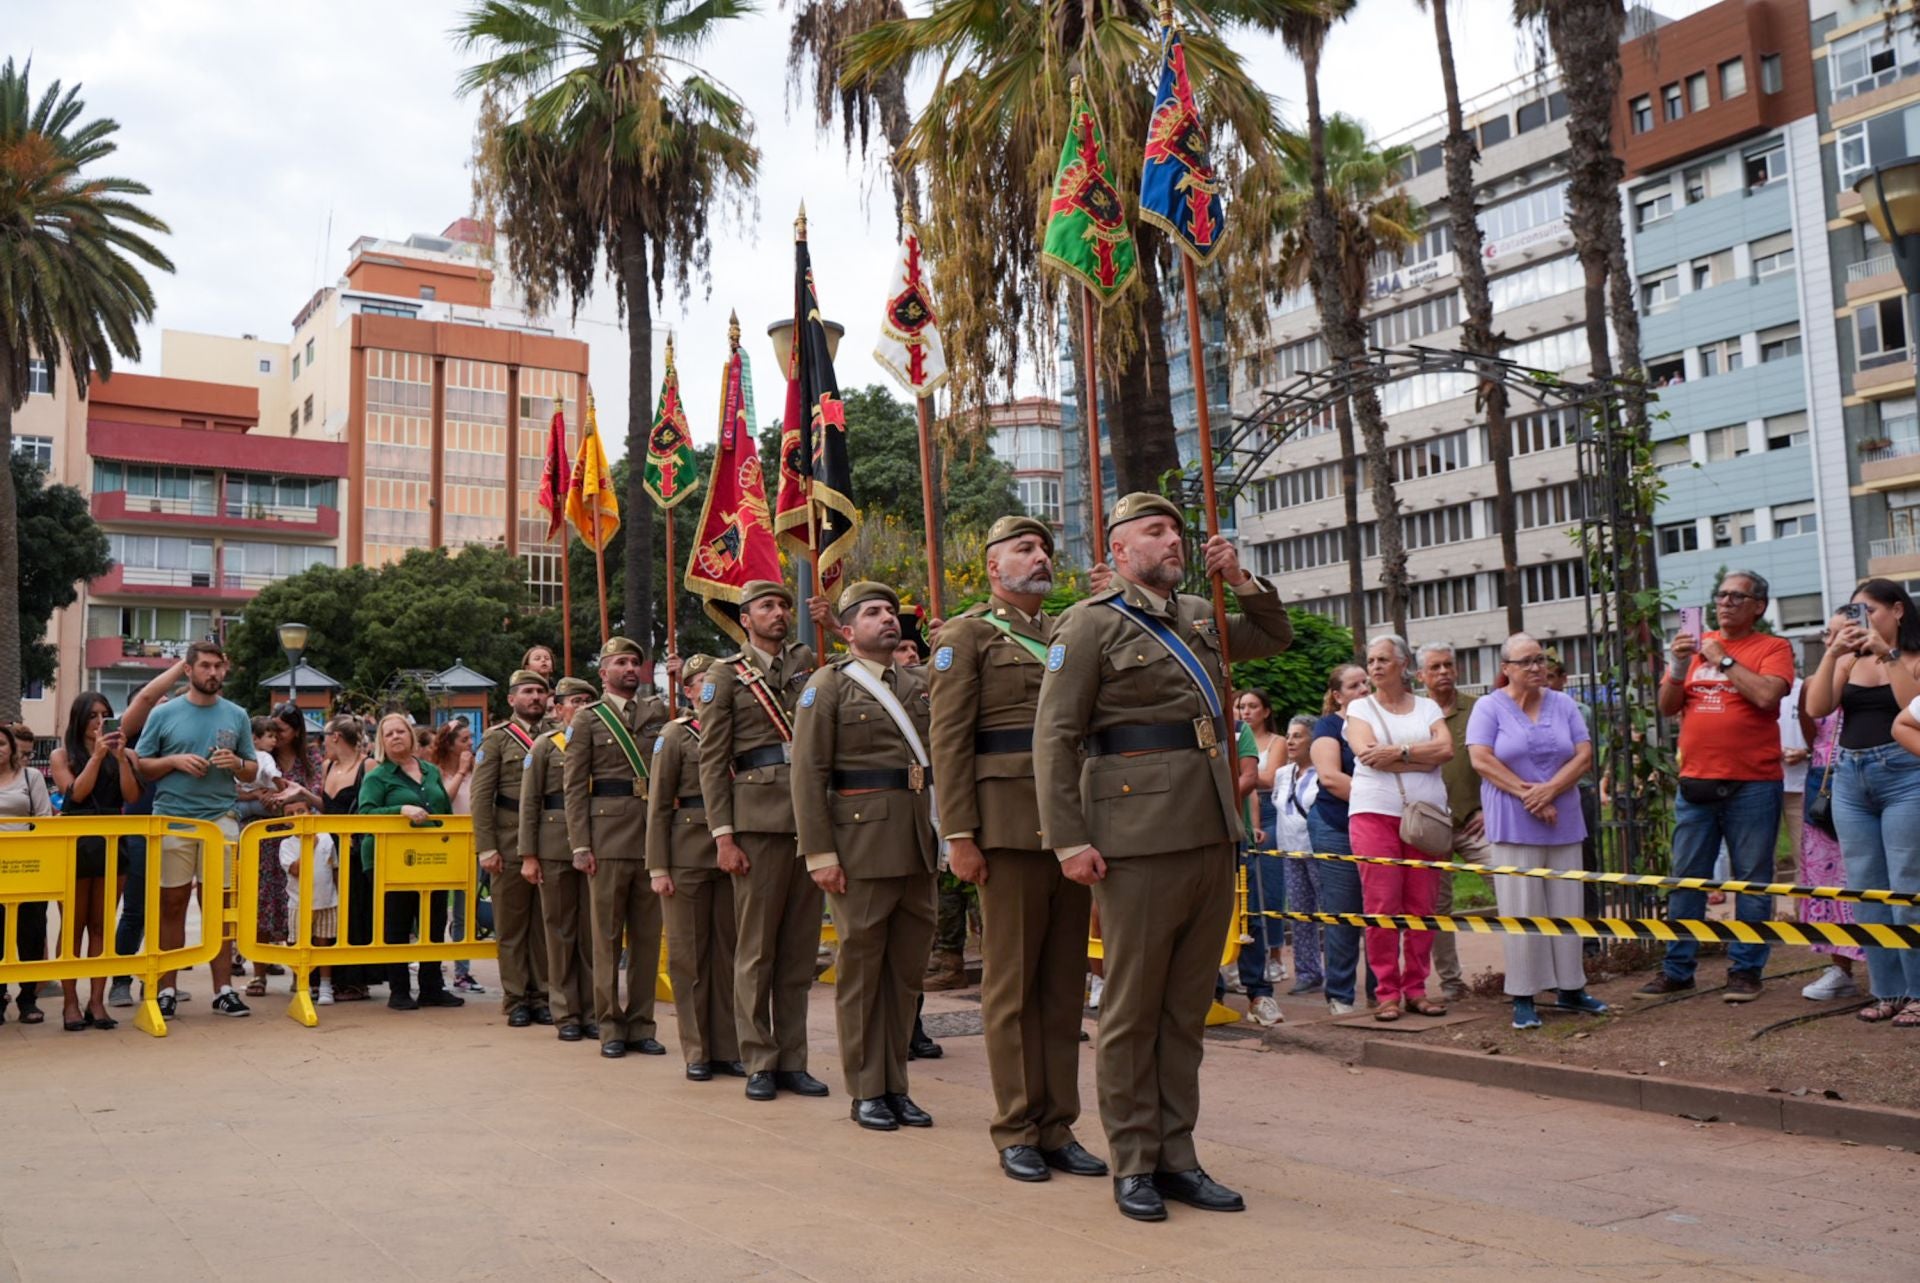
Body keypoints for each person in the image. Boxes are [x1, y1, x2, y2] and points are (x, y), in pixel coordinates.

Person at [1034, 492, 1293, 1223]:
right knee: (1132, 1007)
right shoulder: (1088, 625)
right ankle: (1134, 1159)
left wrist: (1239, 577)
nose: (1172, 540)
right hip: (1136, 833)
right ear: (1119, 550)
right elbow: (1054, 736)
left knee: (1184, 1009)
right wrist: (1070, 837)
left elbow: (1273, 635)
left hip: (1211, 830)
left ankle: (1178, 1154)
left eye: (1177, 530)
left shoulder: (1202, 616)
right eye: (1155, 531)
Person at [929, 515, 1105, 1180]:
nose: (1039, 557)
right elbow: (949, 742)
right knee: (1010, 988)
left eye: (1043, 548)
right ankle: (1015, 1128)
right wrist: (959, 835)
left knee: (1061, 986)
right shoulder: (967, 635)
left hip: (1069, 828)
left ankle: (1058, 1124)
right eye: (1024, 548)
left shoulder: (1066, 631)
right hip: (1005, 830)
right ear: (993, 566)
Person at [793, 581, 939, 1132]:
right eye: (873, 613)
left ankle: (896, 1084)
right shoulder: (827, 687)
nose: (887, 619)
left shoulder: (919, 683)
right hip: (859, 846)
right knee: (861, 972)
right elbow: (807, 775)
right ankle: (865, 1088)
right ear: (848, 631)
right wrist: (820, 853)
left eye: (891, 612)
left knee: (905, 975)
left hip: (916, 842)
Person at [698, 580, 829, 1102]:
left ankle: (793, 1058)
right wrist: (723, 835)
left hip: (809, 820)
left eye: (783, 605)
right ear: (745, 618)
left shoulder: (809, 664)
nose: (778, 613)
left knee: (799, 951)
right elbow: (712, 761)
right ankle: (758, 1058)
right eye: (767, 607)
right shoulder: (724, 676)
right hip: (756, 821)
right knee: (755, 950)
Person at [1646, 571, 1796, 1002]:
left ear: (1759, 607)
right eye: (1721, 595)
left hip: (1753, 782)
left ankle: (1746, 971)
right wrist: (1677, 665)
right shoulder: (1696, 645)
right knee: (1687, 880)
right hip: (1697, 782)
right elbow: (1668, 706)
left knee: (1752, 880)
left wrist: (1724, 660)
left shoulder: (1774, 648)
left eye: (1737, 596)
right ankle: (1677, 970)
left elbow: (1768, 697)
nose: (1726, 602)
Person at [1467, 634, 1606, 1029]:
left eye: (1540, 659)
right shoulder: (1488, 706)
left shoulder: (1563, 704)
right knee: (1521, 908)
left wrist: (1550, 791)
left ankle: (1571, 987)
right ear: (1506, 668)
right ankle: (1524, 995)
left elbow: (1583, 755)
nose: (1536, 667)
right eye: (1526, 661)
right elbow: (1481, 758)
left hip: (1563, 817)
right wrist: (1531, 796)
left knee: (1567, 907)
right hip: (1513, 819)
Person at [1812, 579, 1920, 1023]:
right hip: (1851, 778)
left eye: (1869, 610)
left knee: (1907, 886)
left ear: (1897, 610)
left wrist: (1888, 654)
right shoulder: (1850, 659)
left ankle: (1918, 993)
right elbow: (1818, 707)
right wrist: (1833, 654)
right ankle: (1888, 991)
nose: (1862, 619)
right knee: (1866, 889)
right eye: (1854, 611)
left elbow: (1913, 707)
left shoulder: (1911, 657)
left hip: (1905, 775)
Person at [132, 640, 255, 1020]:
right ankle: (167, 988)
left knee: (219, 907)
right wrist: (173, 760)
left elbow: (251, 770)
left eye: (218, 666)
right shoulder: (164, 714)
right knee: (172, 904)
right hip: (173, 817)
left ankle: (223, 990)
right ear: (188, 670)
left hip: (221, 819)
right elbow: (142, 766)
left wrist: (235, 762)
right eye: (205, 666)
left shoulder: (237, 715)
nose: (213, 673)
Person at [566, 636, 671, 1058]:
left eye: (635, 663)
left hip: (651, 839)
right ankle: (609, 1025)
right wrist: (579, 845)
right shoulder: (588, 720)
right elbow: (574, 788)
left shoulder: (660, 711)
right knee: (606, 938)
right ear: (603, 671)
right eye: (621, 662)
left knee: (647, 938)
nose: (630, 669)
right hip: (606, 839)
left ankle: (642, 1023)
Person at [1344, 635, 1454, 1023]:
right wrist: (1421, 759)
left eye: (1383, 660)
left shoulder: (1426, 707)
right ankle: (1386, 992)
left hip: (1424, 816)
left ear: (1403, 664)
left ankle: (1417, 989)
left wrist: (1400, 753)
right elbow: (1366, 754)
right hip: (1374, 813)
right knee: (1382, 905)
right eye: (1371, 660)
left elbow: (1447, 750)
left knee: (1422, 906)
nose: (1374, 667)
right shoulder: (1360, 707)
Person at [647, 654, 744, 1080]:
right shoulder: (676, 735)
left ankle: (727, 1047)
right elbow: (657, 807)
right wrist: (658, 867)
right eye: (700, 683)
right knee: (689, 959)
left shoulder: (739, 731)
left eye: (715, 682)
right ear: (687, 691)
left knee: (727, 956)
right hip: (686, 855)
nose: (709, 689)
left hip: (733, 853)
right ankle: (698, 1051)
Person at [359, 712, 463, 1011]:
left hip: (432, 858)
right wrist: (399, 809)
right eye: (388, 733)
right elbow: (364, 816)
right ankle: (399, 990)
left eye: (400, 731)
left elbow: (443, 810)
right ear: (381, 742)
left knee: (434, 922)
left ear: (411, 735)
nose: (395, 737)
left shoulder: (430, 771)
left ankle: (432, 987)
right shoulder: (377, 776)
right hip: (390, 860)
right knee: (397, 924)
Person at [50, 691, 139, 1030]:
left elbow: (131, 796)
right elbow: (75, 795)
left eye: (105, 714)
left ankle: (97, 1002)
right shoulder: (62, 755)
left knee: (102, 925)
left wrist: (119, 759)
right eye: (92, 715)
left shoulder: (124, 754)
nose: (100, 722)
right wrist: (98, 756)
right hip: (75, 842)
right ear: (79, 720)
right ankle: (70, 1003)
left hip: (112, 843)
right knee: (72, 925)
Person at [520, 676, 600, 1041]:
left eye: (588, 701)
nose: (581, 707)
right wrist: (529, 855)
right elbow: (529, 804)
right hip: (554, 847)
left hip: (597, 846)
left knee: (592, 933)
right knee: (559, 931)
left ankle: (593, 1010)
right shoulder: (545, 746)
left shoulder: (603, 743)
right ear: (558, 708)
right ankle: (566, 1012)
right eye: (575, 701)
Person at [105, 658, 188, 1010]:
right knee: (136, 909)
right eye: (159, 704)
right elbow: (146, 699)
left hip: (177, 827)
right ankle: (121, 980)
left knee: (170, 909)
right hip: (141, 829)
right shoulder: (133, 736)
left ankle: (161, 980)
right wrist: (185, 664)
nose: (166, 709)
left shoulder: (178, 737)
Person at [473, 670, 553, 1027]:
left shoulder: (559, 737)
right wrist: (486, 847)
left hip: (549, 841)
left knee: (545, 925)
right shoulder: (496, 740)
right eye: (527, 691)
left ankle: (544, 994)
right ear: (512, 699)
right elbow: (480, 797)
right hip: (507, 842)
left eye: (540, 691)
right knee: (511, 925)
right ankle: (517, 998)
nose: (535, 697)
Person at [1417, 643, 1486, 1005]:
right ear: (1421, 676)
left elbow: (1496, 760)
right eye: (1435, 667)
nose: (1444, 672)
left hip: (1476, 820)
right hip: (1430, 825)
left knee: (1512, 884)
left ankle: (1525, 974)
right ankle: (1451, 982)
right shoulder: (1415, 714)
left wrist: (1489, 809)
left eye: (1448, 665)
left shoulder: (1479, 709)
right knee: (1437, 907)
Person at [1795, 659, 1862, 1002]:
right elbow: (1813, 732)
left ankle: (1899, 963)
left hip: (1874, 776)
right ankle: (1840, 967)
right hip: (1825, 783)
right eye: (1830, 634)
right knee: (1828, 877)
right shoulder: (1813, 683)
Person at [1310, 664, 1372, 1015]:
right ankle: (1340, 996)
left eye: (1366, 682)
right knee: (1344, 911)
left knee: (1382, 911)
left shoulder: (1380, 722)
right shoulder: (1330, 726)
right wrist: (1379, 800)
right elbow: (1331, 778)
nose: (1364, 688)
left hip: (1380, 826)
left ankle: (1382, 993)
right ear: (1337, 695)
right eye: (1354, 685)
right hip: (1337, 825)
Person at [1229, 689, 1287, 1026]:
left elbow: (1250, 778)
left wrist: (1206, 806)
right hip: (1191, 836)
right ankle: (1210, 995)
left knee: (1249, 916)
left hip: (1233, 836)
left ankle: (1259, 995)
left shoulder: (1238, 730)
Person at [0, 720, 56, 1025]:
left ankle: (28, 998)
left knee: (31, 932)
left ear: (11, 749)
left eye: (1, 744)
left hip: (28, 867)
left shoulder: (30, 776)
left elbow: (43, 819)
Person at [319, 717, 375, 1002]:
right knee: (328, 907)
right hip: (327, 847)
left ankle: (355, 979)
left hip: (353, 847)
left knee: (354, 907)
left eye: (325, 736)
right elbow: (326, 805)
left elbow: (369, 804)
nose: (322, 742)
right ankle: (328, 976)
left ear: (337, 736)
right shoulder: (327, 766)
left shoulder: (368, 765)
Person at [426, 719, 483, 995]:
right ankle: (432, 968)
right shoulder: (434, 771)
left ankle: (462, 971)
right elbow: (440, 801)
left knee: (465, 909)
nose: (470, 744)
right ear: (448, 745)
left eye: (471, 738)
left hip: (474, 845)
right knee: (436, 908)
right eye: (464, 740)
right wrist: (460, 772)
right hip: (444, 845)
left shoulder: (478, 769)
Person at [1272, 715, 1322, 996]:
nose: (1290, 741)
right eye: (1289, 735)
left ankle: (1341, 974)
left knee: (1330, 913)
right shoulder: (1282, 773)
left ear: (1312, 741)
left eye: (1298, 736)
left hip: (1317, 851)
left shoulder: (1322, 772)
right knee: (1301, 914)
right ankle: (1308, 972)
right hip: (1289, 850)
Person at [277, 795, 337, 1004]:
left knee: (324, 943)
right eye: (290, 815)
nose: (297, 817)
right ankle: (302, 982)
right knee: (297, 943)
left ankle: (325, 985)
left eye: (301, 811)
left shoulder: (327, 838)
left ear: (310, 813)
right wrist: (309, 846)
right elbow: (295, 870)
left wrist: (339, 894)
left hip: (327, 900)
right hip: (298, 903)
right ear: (285, 821)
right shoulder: (286, 844)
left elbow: (334, 867)